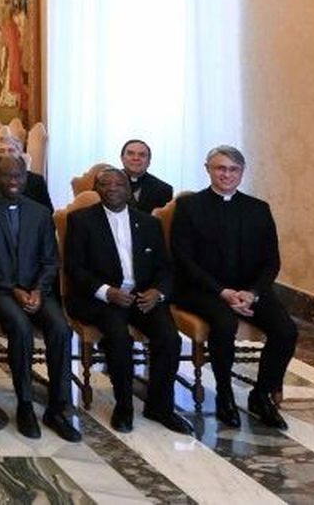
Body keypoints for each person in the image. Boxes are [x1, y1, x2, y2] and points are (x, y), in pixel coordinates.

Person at [171, 145, 297, 430]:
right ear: (208, 170)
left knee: (286, 330)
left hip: (249, 291)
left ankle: (262, 394)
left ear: (241, 173)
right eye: (220, 168)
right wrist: (222, 292)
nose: (226, 174)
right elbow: (184, 260)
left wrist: (252, 293)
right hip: (202, 289)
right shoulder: (189, 207)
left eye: (233, 169)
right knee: (224, 323)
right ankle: (225, 395)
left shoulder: (258, 209)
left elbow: (271, 261)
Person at [64, 168, 192, 435]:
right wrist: (106, 291)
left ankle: (160, 406)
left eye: (118, 183)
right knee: (118, 338)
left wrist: (157, 292)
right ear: (97, 190)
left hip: (143, 296)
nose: (112, 188)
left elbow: (164, 267)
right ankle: (123, 406)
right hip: (101, 299)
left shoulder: (149, 223)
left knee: (170, 338)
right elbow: (75, 268)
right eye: (105, 184)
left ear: (128, 189)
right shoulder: (81, 220)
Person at [0, 155, 80, 442]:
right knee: (20, 326)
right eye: (7, 176)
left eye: (19, 176)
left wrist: (39, 289)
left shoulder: (40, 213)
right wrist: (15, 289)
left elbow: (51, 260)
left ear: (26, 178)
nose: (13, 181)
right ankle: (26, 404)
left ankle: (58, 406)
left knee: (60, 328)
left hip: (36, 289)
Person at [0, 131, 52, 209]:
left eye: (11, 150)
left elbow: (48, 214)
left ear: (20, 154)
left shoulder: (36, 182)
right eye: (1, 151)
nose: (6, 155)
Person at [120, 139, 174, 212]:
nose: (136, 158)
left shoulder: (163, 190)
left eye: (142, 155)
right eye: (130, 153)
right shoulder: (106, 184)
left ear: (149, 161)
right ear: (122, 158)